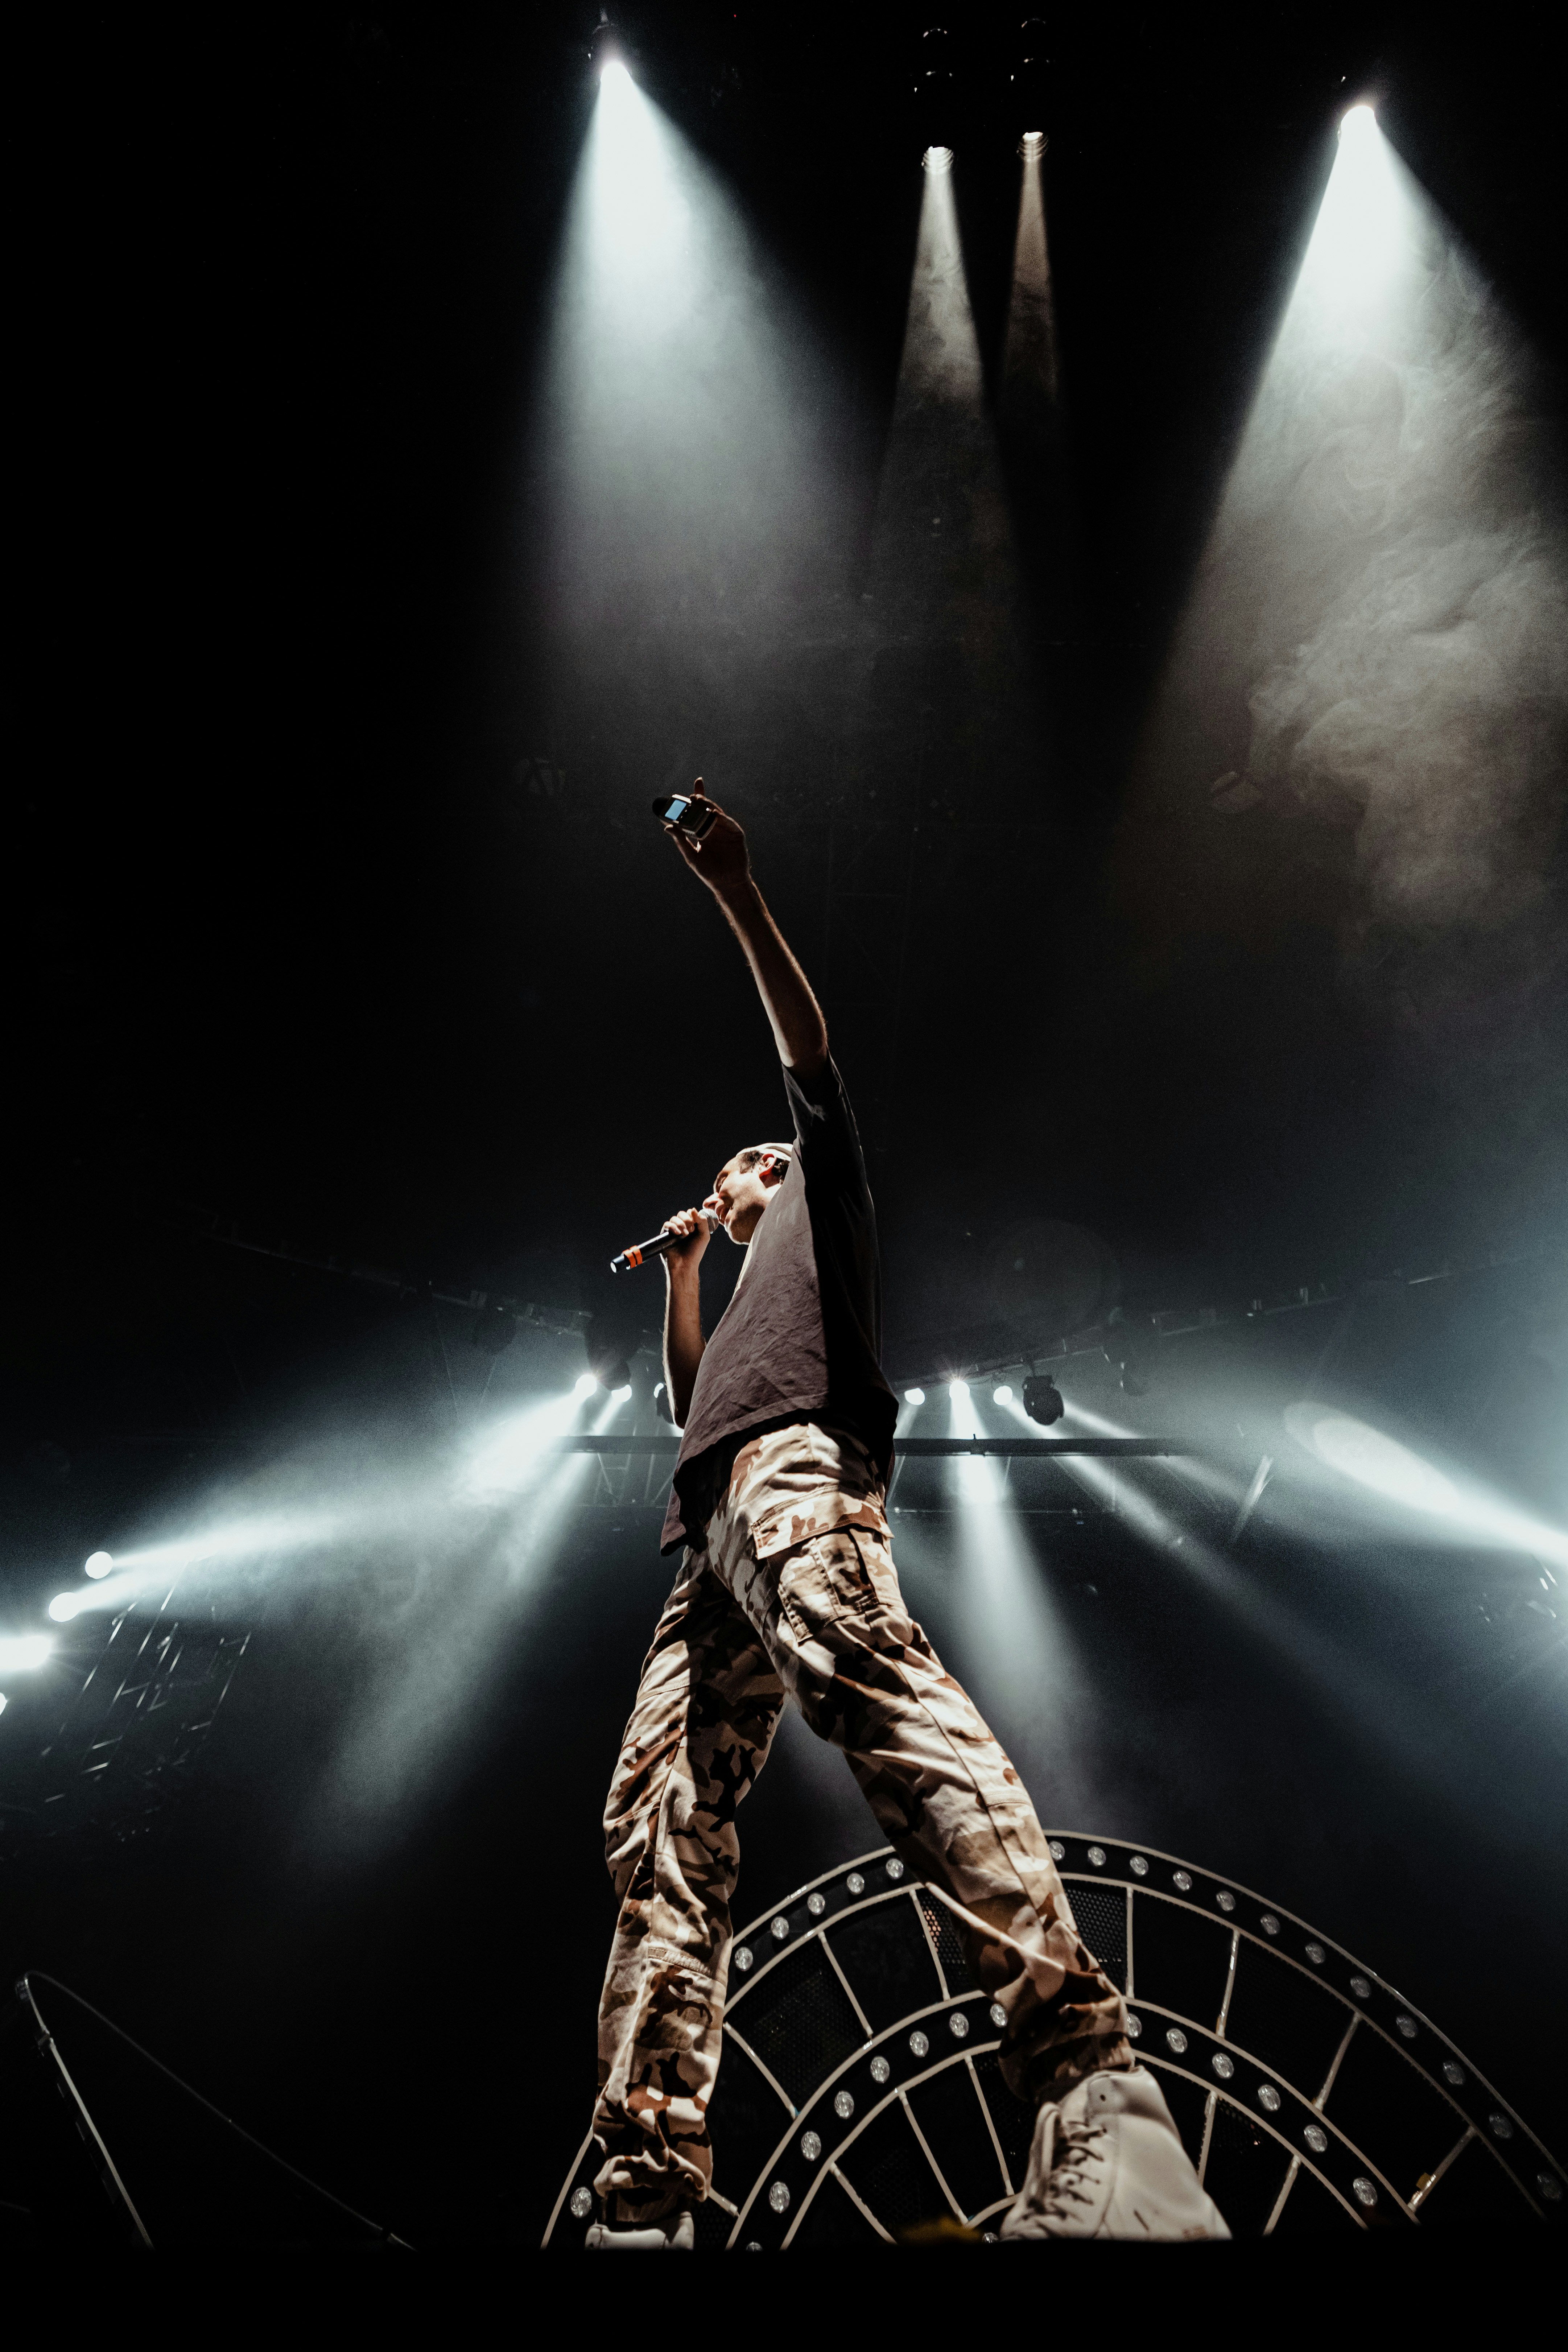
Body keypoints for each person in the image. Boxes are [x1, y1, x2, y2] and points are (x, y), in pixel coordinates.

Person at [584, 789, 1227, 2248]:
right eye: (724, 1170)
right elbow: (695, 1413)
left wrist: (739, 891)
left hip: (808, 1476)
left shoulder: (828, 1199)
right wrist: (681, 1281)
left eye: (748, 1162)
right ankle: (643, 2189)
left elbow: (807, 1056)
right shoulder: (740, 1282)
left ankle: (1092, 2084)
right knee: (658, 1825)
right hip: (711, 1531)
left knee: (875, 1693)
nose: (732, 1175)